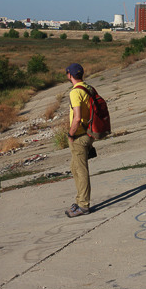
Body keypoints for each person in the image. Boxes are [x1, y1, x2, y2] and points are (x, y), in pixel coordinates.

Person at [64, 63, 95, 217]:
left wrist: (70, 134)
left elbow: (77, 118)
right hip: (89, 133)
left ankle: (83, 205)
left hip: (79, 136)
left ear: (70, 75)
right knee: (74, 168)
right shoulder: (88, 88)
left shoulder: (75, 92)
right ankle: (80, 200)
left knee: (81, 171)